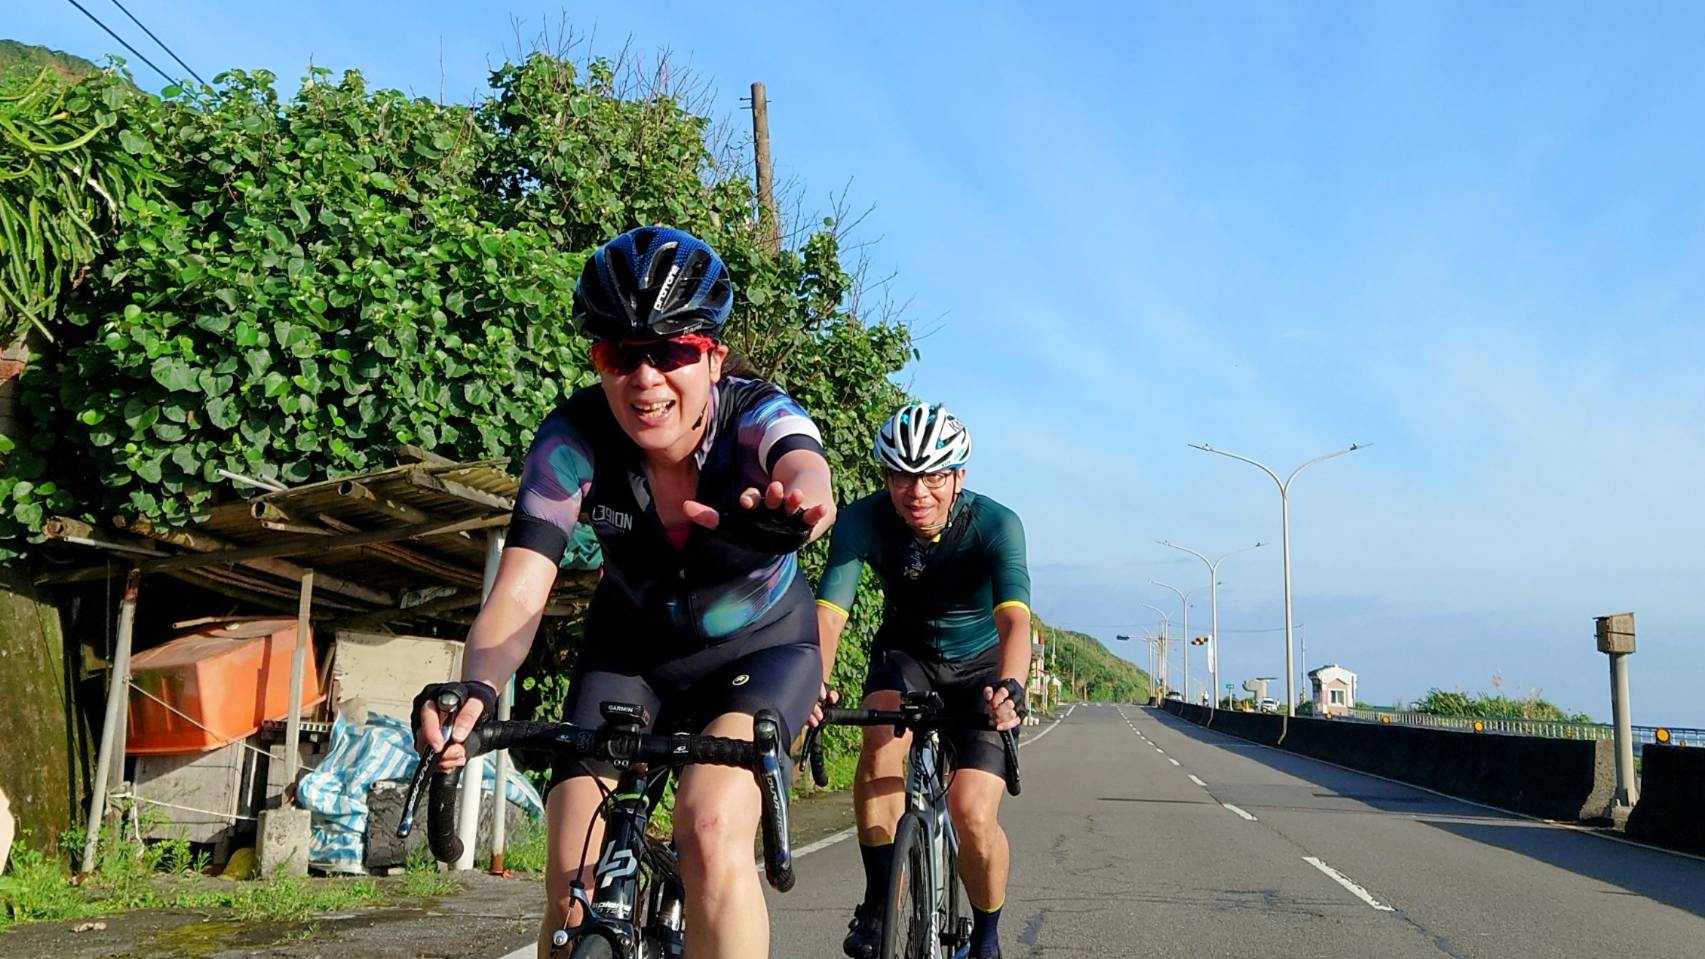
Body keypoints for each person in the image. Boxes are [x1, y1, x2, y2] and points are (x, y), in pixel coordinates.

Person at [413, 226, 835, 959]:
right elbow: (521, 588)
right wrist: (478, 685)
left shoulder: (755, 415)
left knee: (709, 827)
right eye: (619, 354)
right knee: (569, 883)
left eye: (671, 353)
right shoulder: (571, 439)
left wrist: (799, 507)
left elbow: (804, 465)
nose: (644, 379)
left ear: (714, 358)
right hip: (630, 652)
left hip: (761, 651)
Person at [814, 403, 1031, 959]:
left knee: (972, 812)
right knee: (879, 749)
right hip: (906, 655)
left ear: (959, 477)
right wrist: (812, 682)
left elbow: (1015, 620)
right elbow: (830, 616)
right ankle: (879, 901)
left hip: (981, 667)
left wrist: (1012, 686)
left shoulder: (996, 524)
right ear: (886, 478)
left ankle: (986, 938)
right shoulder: (862, 520)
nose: (918, 493)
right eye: (902, 477)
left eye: (934, 477)